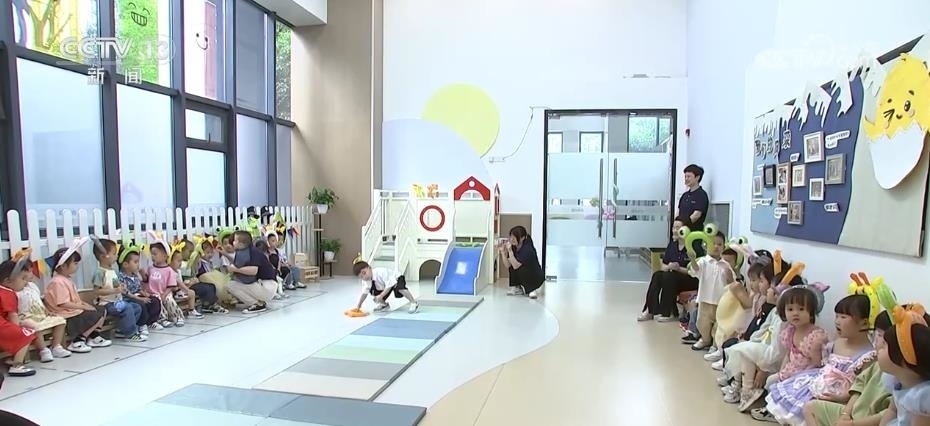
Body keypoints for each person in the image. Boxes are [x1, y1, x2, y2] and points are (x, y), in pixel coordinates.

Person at [765, 295, 878, 425]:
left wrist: (842, 397)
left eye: (843, 317)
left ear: (864, 323)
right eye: (836, 316)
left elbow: (861, 388)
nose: (837, 321)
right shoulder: (838, 340)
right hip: (819, 382)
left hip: (839, 396)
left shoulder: (868, 356)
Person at [802, 309, 908, 426]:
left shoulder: (903, 380)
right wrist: (845, 415)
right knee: (810, 407)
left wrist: (852, 423)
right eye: (877, 334)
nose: (877, 341)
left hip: (867, 422)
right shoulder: (877, 365)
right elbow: (858, 387)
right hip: (854, 413)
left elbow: (886, 416)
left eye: (881, 336)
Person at [750, 286, 830, 422]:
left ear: (811, 312)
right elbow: (788, 354)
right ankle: (774, 409)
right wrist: (782, 373)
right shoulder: (790, 331)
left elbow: (816, 366)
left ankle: (785, 414)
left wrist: (794, 379)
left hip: (806, 377)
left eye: (801, 309)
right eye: (790, 309)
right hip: (791, 371)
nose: (795, 313)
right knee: (772, 381)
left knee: (788, 389)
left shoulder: (816, 337)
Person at [43, 244, 112, 353]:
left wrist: (84, 304)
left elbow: (74, 299)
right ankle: (78, 340)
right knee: (93, 314)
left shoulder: (67, 279)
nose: (77, 266)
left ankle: (93, 336)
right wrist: (83, 307)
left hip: (73, 310)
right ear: (63, 266)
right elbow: (63, 303)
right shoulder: (57, 282)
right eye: (75, 263)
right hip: (65, 313)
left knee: (101, 310)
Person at [876, 304, 930, 426]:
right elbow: (892, 410)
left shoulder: (923, 397)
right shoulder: (897, 382)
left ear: (904, 360)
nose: (879, 349)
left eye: (884, 346)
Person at [639, 216, 698, 322]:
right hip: (672, 278)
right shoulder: (672, 245)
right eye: (673, 228)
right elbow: (663, 266)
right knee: (657, 275)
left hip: (689, 279)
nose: (674, 231)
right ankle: (650, 310)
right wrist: (669, 267)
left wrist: (678, 268)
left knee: (669, 277)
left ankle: (668, 312)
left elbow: (696, 271)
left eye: (678, 228)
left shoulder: (694, 246)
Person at [0, 256, 48, 376]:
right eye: (22, 279)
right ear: (8, 281)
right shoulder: (8, 293)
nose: (26, 282)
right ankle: (17, 364)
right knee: (27, 333)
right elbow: (12, 315)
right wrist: (18, 329)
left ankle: (12, 358)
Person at [91, 238, 146, 342]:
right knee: (127, 307)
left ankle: (121, 330)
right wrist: (115, 291)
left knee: (137, 307)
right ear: (103, 256)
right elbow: (96, 291)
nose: (116, 256)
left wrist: (121, 287)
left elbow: (116, 285)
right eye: (114, 254)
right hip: (106, 303)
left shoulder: (112, 271)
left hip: (116, 301)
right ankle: (130, 333)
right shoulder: (100, 272)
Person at [705, 247, 752, 363]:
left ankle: (726, 357)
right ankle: (720, 350)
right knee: (720, 331)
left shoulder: (739, 282)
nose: (725, 265)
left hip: (735, 315)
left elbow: (747, 303)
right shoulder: (721, 276)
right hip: (725, 314)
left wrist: (731, 280)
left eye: (728, 261)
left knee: (729, 332)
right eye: (723, 261)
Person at [15, 268, 72, 362]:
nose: (31, 274)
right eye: (28, 272)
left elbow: (39, 301)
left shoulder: (32, 286)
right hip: (25, 317)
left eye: (32, 271)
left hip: (40, 315)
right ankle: (43, 350)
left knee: (60, 320)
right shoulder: (16, 290)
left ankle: (56, 346)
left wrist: (47, 311)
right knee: (35, 326)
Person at [688, 231, 730, 351]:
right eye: (713, 243)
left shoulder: (725, 264)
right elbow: (695, 270)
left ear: (724, 247)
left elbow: (731, 281)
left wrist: (730, 276)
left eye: (719, 244)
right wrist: (692, 259)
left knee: (719, 325)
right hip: (705, 300)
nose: (716, 246)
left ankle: (715, 344)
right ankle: (705, 339)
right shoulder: (703, 261)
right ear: (705, 245)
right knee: (702, 323)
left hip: (720, 302)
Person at [227, 231, 279, 314]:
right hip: (266, 285)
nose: (233, 242)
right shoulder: (250, 251)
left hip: (267, 287)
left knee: (231, 285)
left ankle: (256, 304)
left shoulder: (252, 252)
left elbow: (253, 271)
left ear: (241, 243)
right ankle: (258, 302)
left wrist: (235, 269)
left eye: (235, 240)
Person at [116, 242, 162, 334]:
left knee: (154, 300)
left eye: (138, 262)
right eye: (135, 262)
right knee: (141, 304)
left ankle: (151, 321)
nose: (138, 264)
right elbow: (126, 293)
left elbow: (138, 288)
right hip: (128, 298)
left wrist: (143, 293)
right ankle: (141, 324)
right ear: (125, 264)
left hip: (137, 296)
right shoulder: (121, 277)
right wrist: (140, 298)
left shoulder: (135, 275)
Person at [352, 259, 419, 313]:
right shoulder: (367, 281)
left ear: (369, 268)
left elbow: (390, 285)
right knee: (373, 294)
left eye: (364, 273)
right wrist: (358, 306)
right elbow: (364, 294)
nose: (364, 277)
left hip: (396, 279)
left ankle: (413, 303)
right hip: (385, 286)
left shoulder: (381, 272)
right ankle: (384, 305)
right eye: (361, 277)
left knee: (400, 288)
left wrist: (381, 295)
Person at [145, 241, 185, 327]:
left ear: (165, 255)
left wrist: (164, 294)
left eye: (155, 254)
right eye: (152, 254)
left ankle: (177, 317)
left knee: (169, 300)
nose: (152, 256)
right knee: (157, 301)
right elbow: (146, 280)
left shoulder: (169, 270)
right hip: (154, 293)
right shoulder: (150, 268)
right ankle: (162, 319)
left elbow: (171, 285)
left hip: (166, 292)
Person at [499, 226, 545, 299]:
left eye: (514, 237)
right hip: (523, 271)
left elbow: (516, 266)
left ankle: (531, 289)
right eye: (511, 236)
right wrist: (503, 253)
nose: (512, 239)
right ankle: (517, 288)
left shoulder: (528, 249)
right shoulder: (514, 246)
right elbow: (508, 265)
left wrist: (510, 251)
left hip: (536, 276)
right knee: (513, 262)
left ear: (522, 238)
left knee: (521, 267)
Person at [678, 164, 710, 230]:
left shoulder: (701, 195)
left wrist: (684, 226)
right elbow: (678, 212)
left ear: (697, 177)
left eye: (689, 176)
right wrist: (676, 225)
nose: (686, 179)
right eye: (685, 176)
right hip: (681, 231)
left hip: (694, 232)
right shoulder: (684, 195)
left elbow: (696, 215)